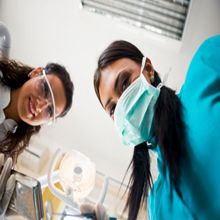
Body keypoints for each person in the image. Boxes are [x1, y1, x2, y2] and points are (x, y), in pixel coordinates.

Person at [91, 35, 220, 220]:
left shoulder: (206, 67)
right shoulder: (158, 205)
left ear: (148, 69)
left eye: (125, 82)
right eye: (113, 108)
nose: (122, 105)